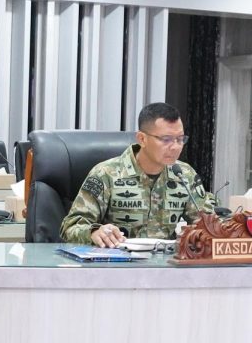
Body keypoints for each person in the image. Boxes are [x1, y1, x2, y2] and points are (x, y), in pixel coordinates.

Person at [61, 102, 215, 246]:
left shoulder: (185, 175)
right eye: (166, 139)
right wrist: (94, 232)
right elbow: (70, 228)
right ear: (142, 139)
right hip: (117, 261)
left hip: (164, 262)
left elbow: (208, 224)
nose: (175, 147)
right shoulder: (106, 174)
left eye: (180, 139)